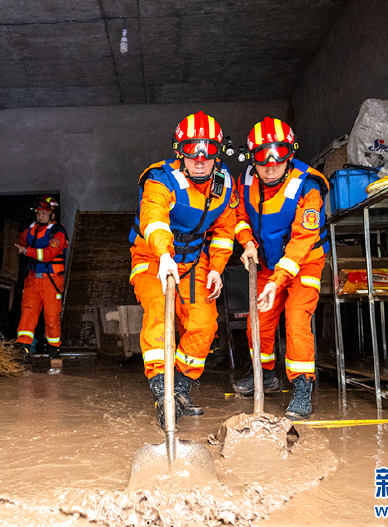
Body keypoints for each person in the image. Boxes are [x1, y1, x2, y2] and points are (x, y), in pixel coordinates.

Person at [129, 110, 237, 427]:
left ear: (218, 152)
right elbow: (154, 218)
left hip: (194, 263)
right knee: (159, 319)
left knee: (204, 325)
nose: (200, 159)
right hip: (153, 258)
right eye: (193, 150)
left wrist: (216, 268)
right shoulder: (160, 179)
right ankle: (162, 393)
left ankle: (181, 389)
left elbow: (223, 231)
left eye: (209, 151)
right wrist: (164, 255)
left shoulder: (224, 183)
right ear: (180, 152)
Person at [232, 117, 329, 420]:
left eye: (278, 155)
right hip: (267, 264)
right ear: (252, 158)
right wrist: (247, 242)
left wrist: (279, 281)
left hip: (304, 263)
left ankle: (302, 387)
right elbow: (239, 215)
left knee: (296, 319)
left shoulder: (308, 185)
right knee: (256, 325)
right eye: (262, 157)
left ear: (290, 154)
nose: (271, 165)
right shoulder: (246, 180)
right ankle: (267, 375)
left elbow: (302, 239)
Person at [14, 196, 69, 361]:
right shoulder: (30, 230)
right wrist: (1, 240)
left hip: (51, 281)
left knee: (52, 317)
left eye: (45, 213)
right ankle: (23, 348)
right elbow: (17, 239)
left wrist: (26, 251)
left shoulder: (58, 232)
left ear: (52, 215)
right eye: (39, 212)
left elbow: (48, 255)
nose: (41, 216)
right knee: (27, 314)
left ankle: (54, 349)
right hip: (32, 280)